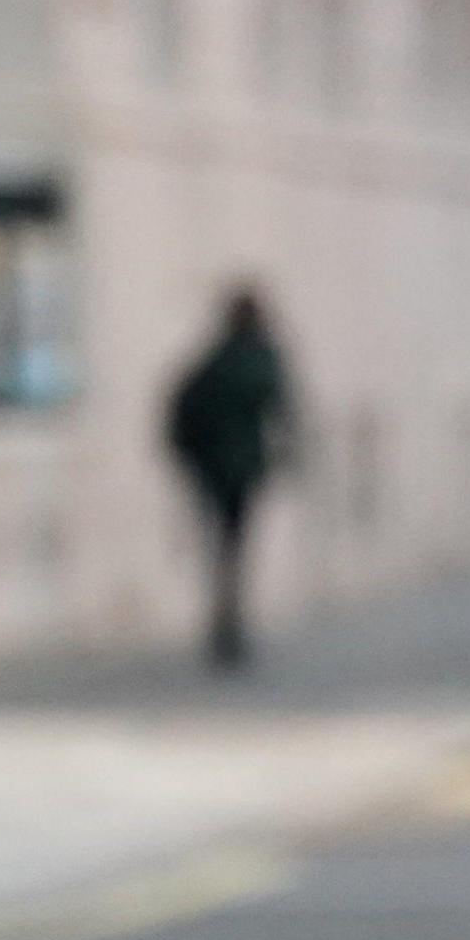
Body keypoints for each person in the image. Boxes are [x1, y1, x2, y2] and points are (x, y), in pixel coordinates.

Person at [164, 284, 297, 672]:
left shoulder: (218, 359)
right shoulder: (250, 358)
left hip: (219, 468)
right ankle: (228, 624)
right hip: (232, 468)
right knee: (231, 547)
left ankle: (227, 622)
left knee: (225, 547)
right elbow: (278, 403)